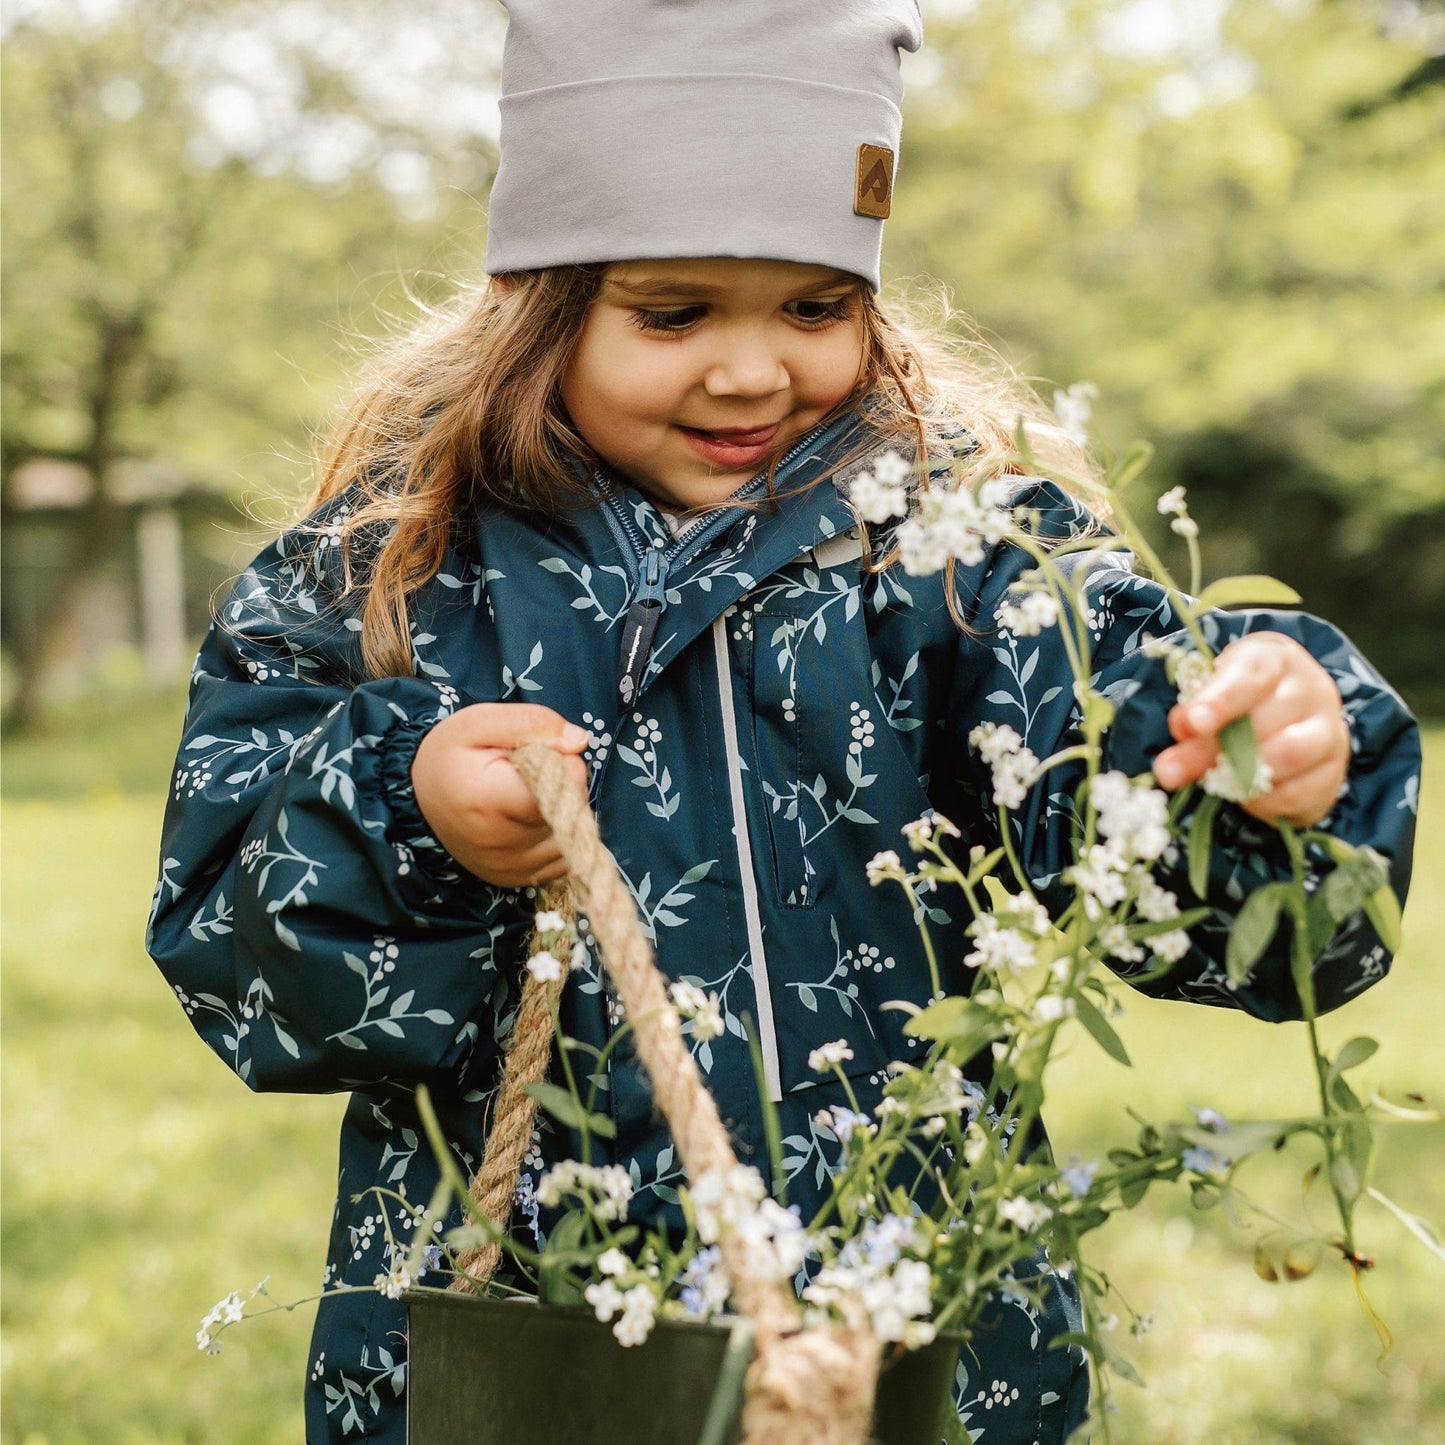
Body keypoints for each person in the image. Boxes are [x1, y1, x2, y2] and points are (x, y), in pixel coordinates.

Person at [146, 3, 1421, 1441]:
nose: (752, 369)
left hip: (912, 1328)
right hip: (525, 1335)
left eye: (814, 307)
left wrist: (1259, 756)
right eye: (673, 312)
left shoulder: (960, 550)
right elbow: (231, 946)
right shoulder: (391, 569)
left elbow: (1128, 757)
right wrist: (408, 811)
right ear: (541, 303)